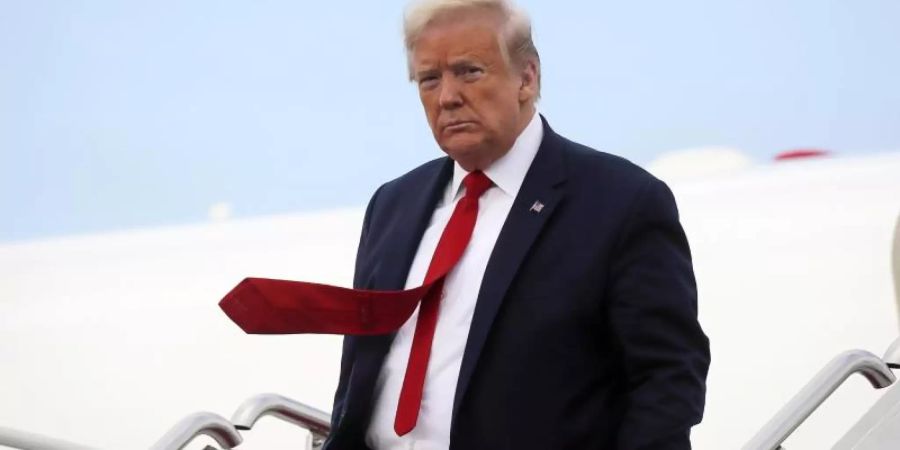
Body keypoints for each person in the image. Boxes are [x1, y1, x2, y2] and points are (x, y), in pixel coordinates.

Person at [323, 0, 710, 448]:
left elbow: (668, 377)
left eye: (469, 71)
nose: (447, 96)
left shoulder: (621, 201)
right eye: (429, 79)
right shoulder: (392, 205)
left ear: (527, 77)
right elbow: (359, 372)